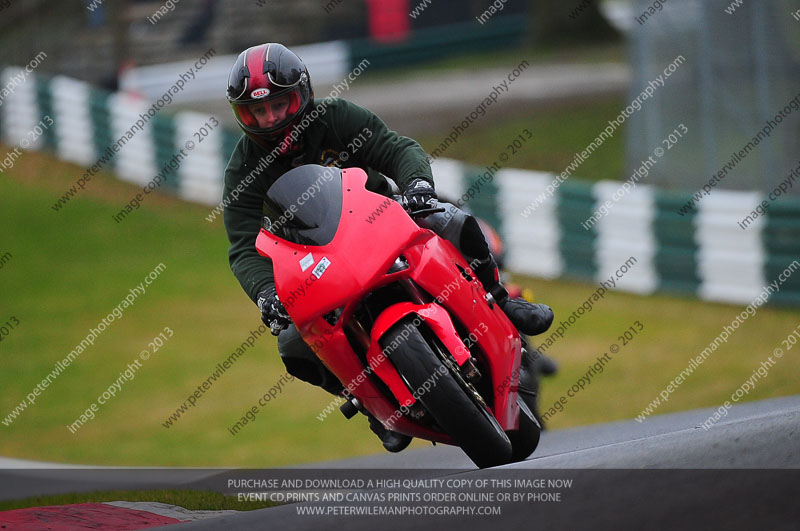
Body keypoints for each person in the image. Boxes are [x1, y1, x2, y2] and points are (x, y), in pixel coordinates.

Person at [222, 43, 554, 453]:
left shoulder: (336, 117)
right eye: (257, 111)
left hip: (379, 218)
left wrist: (416, 186)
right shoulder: (242, 168)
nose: (270, 119)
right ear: (243, 115)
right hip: (317, 264)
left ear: (301, 95)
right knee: (292, 343)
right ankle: (369, 403)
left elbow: (396, 148)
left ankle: (502, 301)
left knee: (452, 220)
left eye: (279, 104)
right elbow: (242, 247)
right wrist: (266, 294)